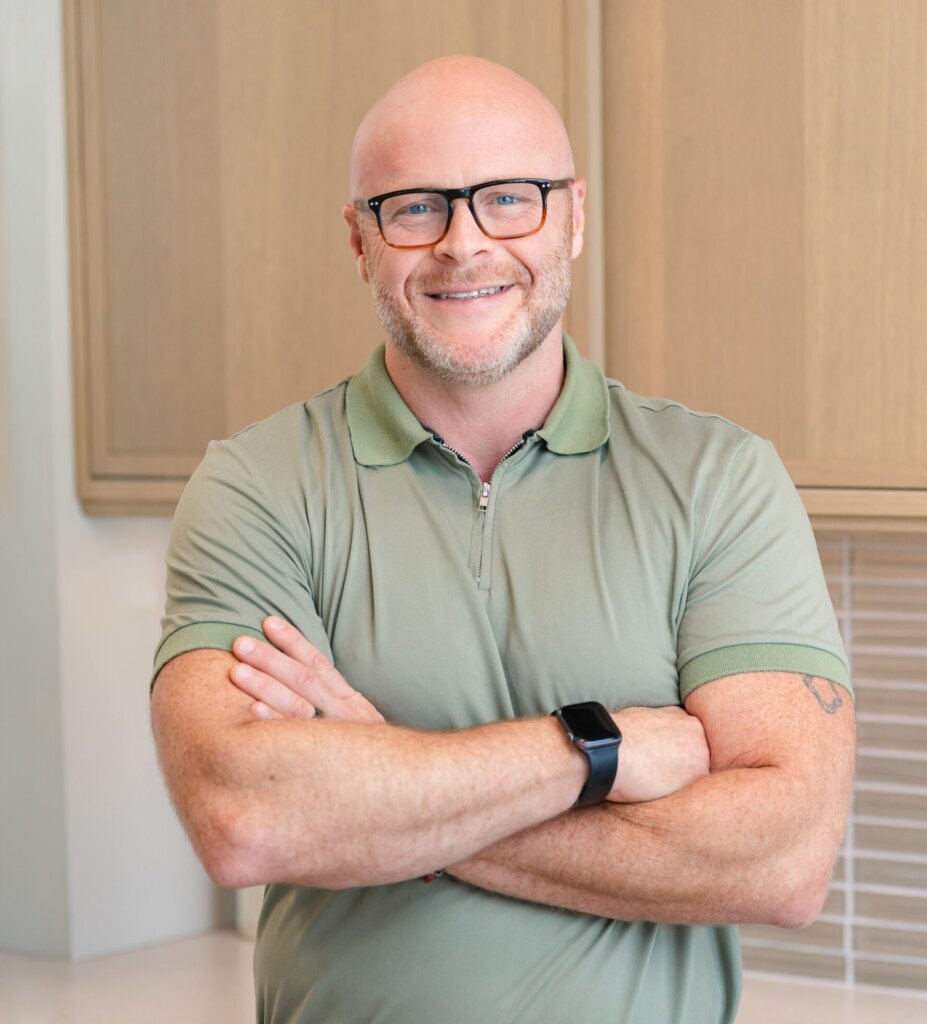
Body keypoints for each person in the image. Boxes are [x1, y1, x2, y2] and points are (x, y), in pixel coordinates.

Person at [151, 55, 855, 1024]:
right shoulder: (257, 484)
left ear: (573, 216)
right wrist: (592, 751)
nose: (464, 243)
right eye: (415, 208)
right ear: (359, 239)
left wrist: (379, 782)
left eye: (508, 199)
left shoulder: (717, 479)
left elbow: (783, 860)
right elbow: (246, 818)